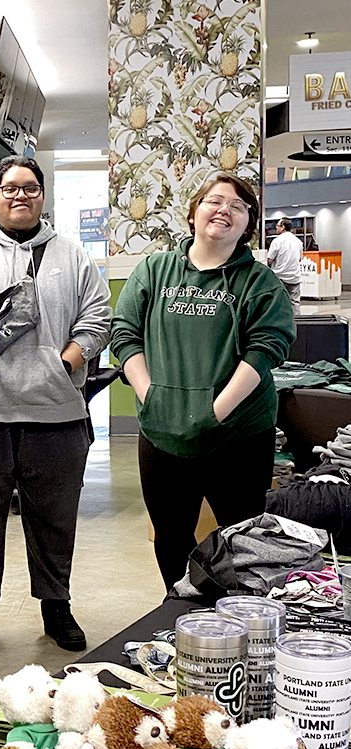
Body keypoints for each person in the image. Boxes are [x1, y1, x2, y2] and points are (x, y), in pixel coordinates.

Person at [0, 155, 111, 657]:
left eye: (30, 188)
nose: (20, 196)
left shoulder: (73, 256)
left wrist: (62, 366)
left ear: (42, 197)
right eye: (10, 188)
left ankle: (56, 604)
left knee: (55, 518)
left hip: (56, 418)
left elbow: (98, 317)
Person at [111, 173, 295, 592]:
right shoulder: (154, 271)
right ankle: (181, 611)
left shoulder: (259, 283)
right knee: (170, 535)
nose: (224, 210)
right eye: (214, 201)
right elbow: (125, 334)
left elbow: (266, 348)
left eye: (238, 206)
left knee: (240, 538)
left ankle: (234, 616)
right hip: (162, 433)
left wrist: (216, 412)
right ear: (194, 213)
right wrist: (151, 396)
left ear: (249, 224)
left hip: (238, 436)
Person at [267, 217, 304, 314]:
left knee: (277, 303)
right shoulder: (298, 241)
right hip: (294, 277)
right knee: (295, 303)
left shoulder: (277, 241)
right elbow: (300, 258)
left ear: (283, 227)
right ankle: (297, 324)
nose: (276, 228)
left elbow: (270, 259)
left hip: (279, 278)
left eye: (278, 225)